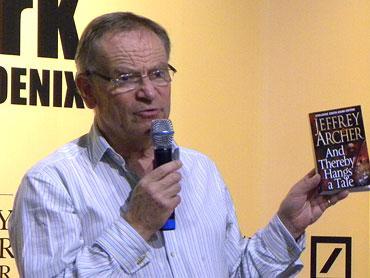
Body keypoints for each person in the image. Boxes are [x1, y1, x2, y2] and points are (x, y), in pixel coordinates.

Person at [9, 12, 348, 277]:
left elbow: (237, 273)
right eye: (126, 78)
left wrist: (288, 226)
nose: (149, 91)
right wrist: (136, 225)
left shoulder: (201, 170)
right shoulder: (52, 183)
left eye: (158, 73)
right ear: (86, 90)